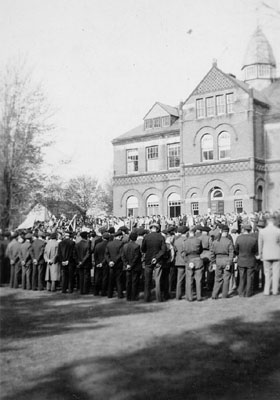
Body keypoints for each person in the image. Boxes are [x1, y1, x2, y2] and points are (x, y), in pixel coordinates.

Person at [141, 223, 166, 302]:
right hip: (158, 260)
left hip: (148, 259)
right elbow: (163, 250)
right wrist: (156, 257)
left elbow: (143, 249)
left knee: (147, 280)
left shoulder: (146, 237)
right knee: (158, 279)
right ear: (158, 229)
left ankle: (146, 298)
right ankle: (158, 297)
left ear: (150, 228)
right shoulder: (161, 237)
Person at [211, 224, 234, 299]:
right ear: (227, 232)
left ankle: (214, 294)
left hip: (218, 260)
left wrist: (213, 262)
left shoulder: (215, 242)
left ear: (221, 231)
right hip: (226, 259)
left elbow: (212, 254)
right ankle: (224, 295)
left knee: (217, 278)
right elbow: (231, 253)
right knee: (226, 278)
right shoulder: (229, 241)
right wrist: (229, 263)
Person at [258, 215, 280, 296]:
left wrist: (260, 254)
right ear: (274, 222)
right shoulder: (278, 231)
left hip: (266, 254)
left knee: (267, 273)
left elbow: (260, 244)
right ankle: (274, 290)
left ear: (267, 222)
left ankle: (266, 290)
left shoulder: (262, 231)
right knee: (276, 273)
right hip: (276, 253)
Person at [235, 224, 258, 297]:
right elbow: (256, 250)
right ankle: (248, 292)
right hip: (250, 259)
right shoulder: (253, 239)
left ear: (243, 229)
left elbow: (236, 249)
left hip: (241, 259)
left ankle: (241, 292)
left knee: (242, 277)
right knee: (250, 277)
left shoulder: (239, 238)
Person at [182, 226, 203, 301]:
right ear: (195, 233)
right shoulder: (198, 240)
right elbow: (201, 250)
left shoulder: (185, 241)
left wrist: (186, 260)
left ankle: (190, 297)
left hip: (189, 259)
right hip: (197, 259)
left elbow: (183, 252)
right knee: (198, 279)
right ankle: (199, 296)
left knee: (189, 279)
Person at [122, 231, 142, 301]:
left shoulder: (125, 246)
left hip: (127, 266)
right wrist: (131, 265)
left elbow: (123, 256)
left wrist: (126, 264)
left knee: (128, 282)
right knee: (134, 282)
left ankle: (128, 296)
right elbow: (136, 257)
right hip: (135, 267)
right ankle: (133, 296)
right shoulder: (137, 246)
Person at [105, 230, 124, 299]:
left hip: (110, 264)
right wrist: (114, 261)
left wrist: (109, 261)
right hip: (118, 264)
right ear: (119, 236)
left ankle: (110, 294)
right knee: (119, 280)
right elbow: (121, 254)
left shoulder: (109, 244)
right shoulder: (121, 244)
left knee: (111, 280)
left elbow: (106, 254)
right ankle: (120, 294)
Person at [74, 230, 92, 294]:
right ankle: (85, 290)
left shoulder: (77, 244)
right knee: (86, 277)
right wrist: (83, 261)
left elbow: (74, 255)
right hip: (86, 263)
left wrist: (79, 262)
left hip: (79, 263)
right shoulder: (88, 244)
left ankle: (81, 290)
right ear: (86, 236)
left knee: (81, 277)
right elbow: (88, 254)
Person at [174, 226, 188, 300]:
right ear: (186, 232)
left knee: (179, 280)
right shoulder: (187, 240)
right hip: (187, 260)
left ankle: (178, 295)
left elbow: (175, 250)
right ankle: (188, 294)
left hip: (179, 261)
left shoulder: (176, 240)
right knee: (188, 279)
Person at [93, 232, 110, 296]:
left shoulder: (98, 245)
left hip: (98, 262)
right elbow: (107, 255)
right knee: (105, 278)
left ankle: (96, 291)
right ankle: (103, 292)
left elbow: (95, 255)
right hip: (106, 263)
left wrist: (97, 262)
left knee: (97, 277)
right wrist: (103, 263)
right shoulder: (109, 245)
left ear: (102, 238)